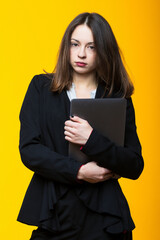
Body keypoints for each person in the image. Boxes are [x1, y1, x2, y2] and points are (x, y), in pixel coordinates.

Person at [17, 12, 144, 240]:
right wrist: (79, 171)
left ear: (104, 51)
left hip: (106, 219)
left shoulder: (117, 96)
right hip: (54, 213)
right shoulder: (40, 87)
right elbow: (29, 150)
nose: (81, 53)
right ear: (67, 46)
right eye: (75, 44)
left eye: (91, 47)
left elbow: (134, 165)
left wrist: (92, 140)